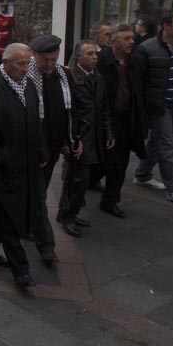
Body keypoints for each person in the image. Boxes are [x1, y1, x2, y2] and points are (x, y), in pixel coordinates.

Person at [0, 43, 46, 289]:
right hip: (2, 167)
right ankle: (21, 270)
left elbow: (35, 122)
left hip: (25, 163)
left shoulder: (28, 86)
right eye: (21, 64)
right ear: (5, 63)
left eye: (28, 63)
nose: (26, 69)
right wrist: (0, 158)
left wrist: (40, 150)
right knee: (7, 216)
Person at [132, 9, 173, 202]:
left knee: (155, 142)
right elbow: (139, 80)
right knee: (166, 143)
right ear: (166, 26)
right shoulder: (148, 48)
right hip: (159, 104)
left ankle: (142, 175)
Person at [58, 40, 114, 237]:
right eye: (90, 54)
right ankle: (68, 216)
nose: (94, 57)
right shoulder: (70, 78)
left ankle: (70, 213)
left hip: (95, 135)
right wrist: (73, 138)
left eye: (96, 54)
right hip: (81, 137)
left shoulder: (98, 77)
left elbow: (104, 108)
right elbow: (69, 112)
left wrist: (108, 133)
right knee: (76, 179)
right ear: (78, 56)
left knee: (83, 178)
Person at [27, 34, 74, 264]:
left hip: (54, 147)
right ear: (34, 56)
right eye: (45, 60)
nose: (49, 64)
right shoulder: (27, 78)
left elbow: (66, 113)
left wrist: (67, 141)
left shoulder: (63, 76)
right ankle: (46, 245)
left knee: (37, 192)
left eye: (53, 59)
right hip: (34, 149)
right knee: (38, 196)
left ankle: (26, 226)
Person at [97, 25, 146, 218]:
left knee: (120, 164)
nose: (132, 42)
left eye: (132, 38)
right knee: (100, 162)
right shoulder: (101, 61)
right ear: (113, 41)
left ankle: (110, 201)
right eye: (126, 38)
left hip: (127, 119)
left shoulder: (136, 62)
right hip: (104, 119)